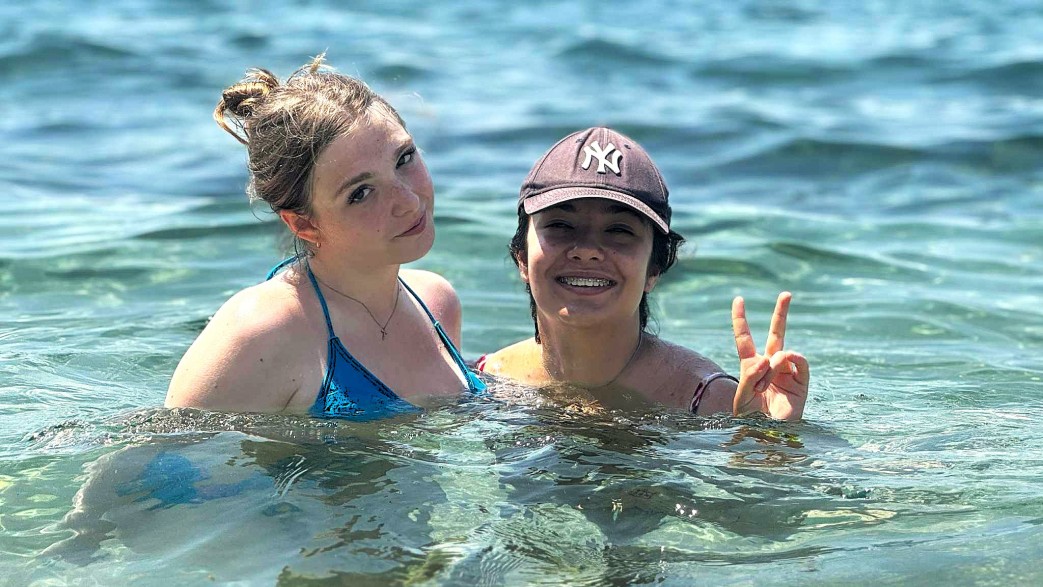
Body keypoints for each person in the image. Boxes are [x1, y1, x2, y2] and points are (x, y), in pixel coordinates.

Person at [165, 55, 484, 419]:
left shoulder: (437, 302)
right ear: (304, 225)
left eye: (404, 159)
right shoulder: (262, 331)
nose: (409, 201)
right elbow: (166, 450)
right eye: (361, 193)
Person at [476, 127, 809, 420]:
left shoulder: (707, 401)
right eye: (561, 225)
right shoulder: (485, 380)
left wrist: (765, 437)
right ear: (522, 257)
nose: (587, 249)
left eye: (619, 230)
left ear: (655, 268)